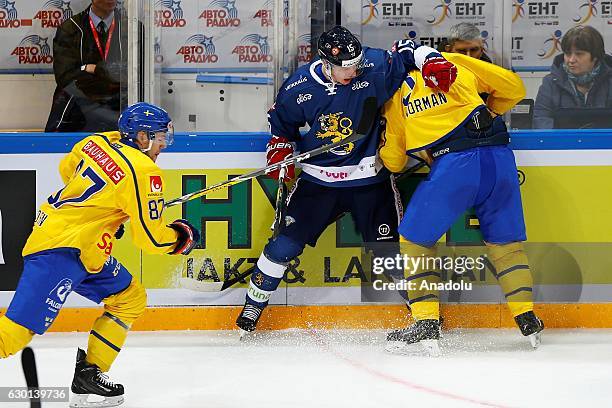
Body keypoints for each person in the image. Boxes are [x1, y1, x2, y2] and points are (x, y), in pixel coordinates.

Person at [235, 25, 458, 334]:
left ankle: (425, 317)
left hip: (368, 180)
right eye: (344, 67)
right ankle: (252, 306)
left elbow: (408, 50)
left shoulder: (373, 66)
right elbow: (281, 127)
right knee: (283, 247)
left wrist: (432, 60)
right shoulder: (299, 86)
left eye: (354, 64)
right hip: (318, 182)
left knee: (390, 253)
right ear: (325, 63)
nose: (351, 71)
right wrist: (280, 150)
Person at [0, 103, 200, 407]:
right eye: (160, 137)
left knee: (130, 298)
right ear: (142, 137)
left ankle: (89, 378)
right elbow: (150, 238)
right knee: (14, 335)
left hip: (84, 247)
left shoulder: (97, 141)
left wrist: (105, 212)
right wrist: (182, 236)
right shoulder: (144, 171)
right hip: (62, 249)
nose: (163, 145)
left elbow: (68, 170)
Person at [380, 52, 544, 356]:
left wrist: (388, 139)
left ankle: (426, 322)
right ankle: (527, 318)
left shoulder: (396, 89)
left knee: (415, 238)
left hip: (454, 165)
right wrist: (491, 111)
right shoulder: (454, 61)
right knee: (506, 245)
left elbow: (393, 160)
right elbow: (514, 88)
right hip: (500, 158)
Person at [45, 0, 127, 132]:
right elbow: (65, 77)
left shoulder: (132, 28)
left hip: (118, 108)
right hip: (79, 111)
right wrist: (109, 75)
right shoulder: (70, 28)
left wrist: (93, 69)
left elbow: (132, 74)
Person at [534, 25, 612, 129]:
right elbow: (541, 120)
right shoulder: (550, 82)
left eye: (579, 54)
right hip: (561, 144)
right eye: (567, 53)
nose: (571, 60)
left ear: (595, 57)